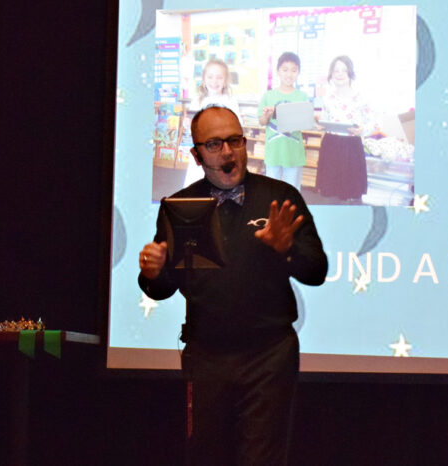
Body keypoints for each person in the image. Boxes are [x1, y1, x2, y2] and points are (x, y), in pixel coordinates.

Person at [138, 106, 328, 465]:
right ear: (196, 155)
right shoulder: (180, 206)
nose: (228, 152)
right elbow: (163, 287)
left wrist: (287, 249)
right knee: (205, 456)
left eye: (235, 141)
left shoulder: (280, 197)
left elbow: (316, 271)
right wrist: (152, 272)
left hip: (268, 356)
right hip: (206, 357)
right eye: (214, 144)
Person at [314, 55, 374, 203]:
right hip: (331, 145)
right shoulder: (328, 98)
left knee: (350, 192)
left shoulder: (361, 98)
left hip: (351, 147)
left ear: (350, 73)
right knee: (330, 192)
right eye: (336, 71)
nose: (339, 74)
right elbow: (324, 120)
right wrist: (320, 126)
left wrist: (362, 130)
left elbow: (372, 123)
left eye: (344, 70)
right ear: (331, 75)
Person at [259, 52, 309, 191]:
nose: (289, 74)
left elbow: (304, 123)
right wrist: (267, 116)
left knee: (293, 193)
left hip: (294, 154)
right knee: (272, 192)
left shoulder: (302, 96)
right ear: (278, 71)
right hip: (273, 152)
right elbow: (262, 122)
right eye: (285, 69)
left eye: (294, 70)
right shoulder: (268, 96)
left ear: (298, 72)